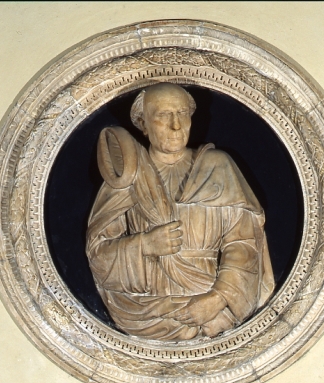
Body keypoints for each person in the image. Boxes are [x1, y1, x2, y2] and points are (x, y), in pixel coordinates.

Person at [85, 83, 275, 340]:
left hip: (212, 314)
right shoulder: (128, 177)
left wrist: (218, 300)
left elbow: (244, 243)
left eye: (182, 113)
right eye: (163, 115)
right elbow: (98, 256)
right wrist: (145, 245)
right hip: (144, 314)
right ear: (143, 124)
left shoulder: (218, 167)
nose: (176, 126)